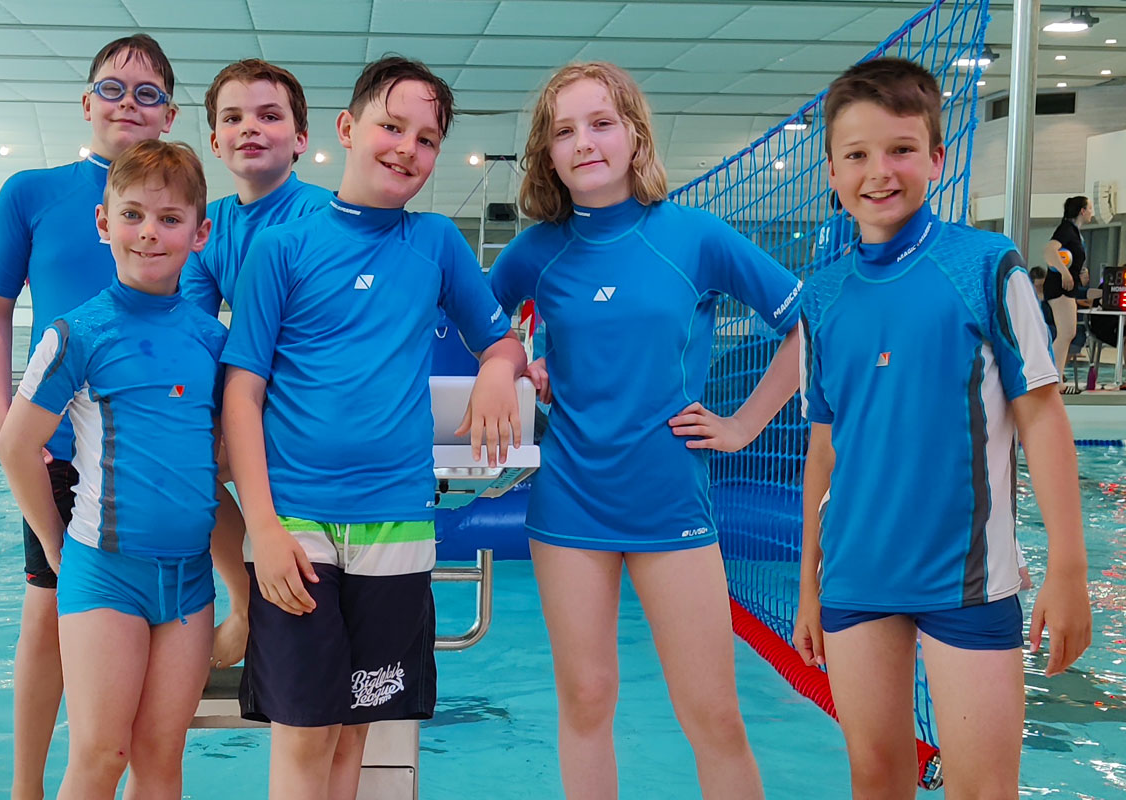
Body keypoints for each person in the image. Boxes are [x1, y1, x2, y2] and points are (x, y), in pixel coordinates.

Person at [489, 62, 803, 799]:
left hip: (671, 504)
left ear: (634, 135)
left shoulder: (693, 236)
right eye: (564, 131)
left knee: (712, 715)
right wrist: (514, 367)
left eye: (601, 124)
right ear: (547, 154)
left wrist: (745, 425)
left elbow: (803, 326)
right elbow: (477, 332)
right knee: (586, 701)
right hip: (569, 504)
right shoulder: (536, 251)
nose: (583, 142)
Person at [220, 56, 527, 800]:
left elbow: (501, 340)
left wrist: (497, 368)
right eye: (392, 127)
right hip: (297, 523)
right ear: (348, 129)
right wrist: (261, 526)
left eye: (427, 139)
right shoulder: (282, 247)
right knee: (303, 733)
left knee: (354, 729)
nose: (406, 149)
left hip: (396, 523)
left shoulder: (436, 243)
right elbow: (242, 395)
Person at [793, 58, 1091, 799]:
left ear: (936, 158)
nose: (879, 171)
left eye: (900, 149)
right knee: (875, 778)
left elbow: (1042, 417)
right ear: (831, 172)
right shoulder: (822, 297)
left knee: (983, 788)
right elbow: (823, 451)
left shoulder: (986, 267)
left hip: (967, 580)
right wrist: (807, 587)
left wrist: (1069, 569)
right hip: (855, 574)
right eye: (856, 155)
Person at [0, 34, 177, 800]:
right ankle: (26, 788)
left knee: (144, 623)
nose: (129, 103)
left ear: (169, 115)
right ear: (87, 102)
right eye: (113, 89)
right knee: (45, 611)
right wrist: (6, 421)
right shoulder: (34, 193)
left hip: (146, 455)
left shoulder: (182, 205)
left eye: (148, 93)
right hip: (56, 448)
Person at [0, 140, 221, 800]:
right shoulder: (77, 334)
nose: (149, 232)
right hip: (105, 574)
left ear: (199, 233)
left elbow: (216, 466)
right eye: (132, 215)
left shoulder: (213, 340)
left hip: (189, 582)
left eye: (170, 218)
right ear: (103, 223)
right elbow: (15, 447)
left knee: (161, 757)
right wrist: (55, 546)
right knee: (101, 753)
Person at [183, 58, 334, 670]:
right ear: (216, 141)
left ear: (300, 139)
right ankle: (244, 603)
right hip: (250, 395)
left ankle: (257, 607)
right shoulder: (207, 226)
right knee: (182, 460)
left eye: (269, 116)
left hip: (310, 404)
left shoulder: (325, 215)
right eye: (233, 118)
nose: (250, 127)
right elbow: (191, 332)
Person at [1044, 195, 1093, 392]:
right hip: (1059, 287)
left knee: (1068, 333)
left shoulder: (1074, 233)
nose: (1091, 213)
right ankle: (1053, 380)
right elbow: (1049, 251)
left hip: (1067, 287)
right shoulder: (1066, 229)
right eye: (1090, 208)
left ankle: (1054, 379)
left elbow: (1069, 258)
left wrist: (1079, 273)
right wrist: (1064, 273)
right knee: (1066, 333)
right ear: (1082, 211)